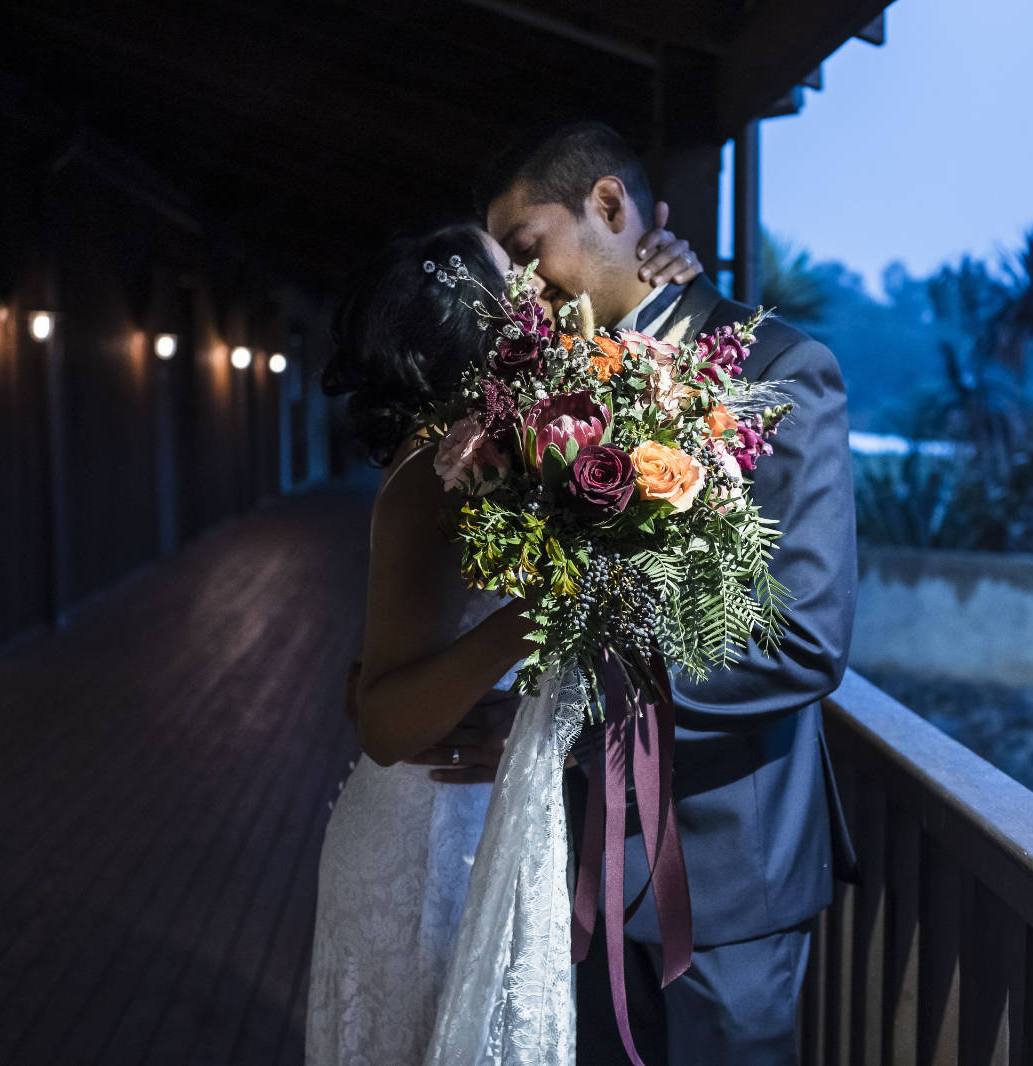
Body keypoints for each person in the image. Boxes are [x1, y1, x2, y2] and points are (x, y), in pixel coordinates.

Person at [471, 121, 859, 1065]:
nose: (524, 289)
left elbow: (806, 638)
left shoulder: (777, 370)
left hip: (732, 870)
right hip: (588, 870)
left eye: (530, 253)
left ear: (608, 206)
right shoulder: (548, 392)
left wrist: (585, 694)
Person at [305, 215, 703, 1066]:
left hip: (481, 823)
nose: (537, 287)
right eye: (514, 275)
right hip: (426, 849)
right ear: (475, 322)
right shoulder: (427, 479)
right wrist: (536, 617)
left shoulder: (501, 459)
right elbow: (381, 724)